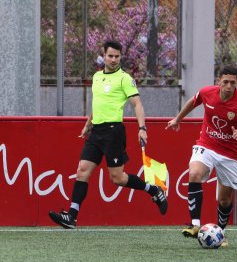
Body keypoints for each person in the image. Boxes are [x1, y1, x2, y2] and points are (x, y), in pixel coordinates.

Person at [49, 40, 168, 228]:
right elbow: (98, 104)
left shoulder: (124, 79)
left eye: (117, 56)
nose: (113, 59)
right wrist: (88, 125)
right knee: (82, 171)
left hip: (113, 132)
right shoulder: (97, 77)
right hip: (96, 131)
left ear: (121, 57)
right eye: (110, 56)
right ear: (103, 55)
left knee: (117, 178)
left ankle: (153, 190)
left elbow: (137, 104)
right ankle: (71, 216)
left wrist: (142, 128)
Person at [165, 65, 237, 246]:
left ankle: (220, 233)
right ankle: (195, 225)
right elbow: (193, 101)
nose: (229, 86)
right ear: (218, 82)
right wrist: (178, 119)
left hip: (229, 153)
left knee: (224, 199)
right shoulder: (208, 93)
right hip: (206, 144)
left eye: (233, 83)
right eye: (225, 82)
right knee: (194, 173)